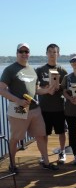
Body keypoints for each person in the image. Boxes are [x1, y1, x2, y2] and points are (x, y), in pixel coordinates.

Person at [0, 43, 59, 172]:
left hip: (34, 109)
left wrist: (47, 91)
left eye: (26, 51)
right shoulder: (10, 70)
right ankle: (12, 164)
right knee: (15, 138)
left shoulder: (31, 69)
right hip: (18, 109)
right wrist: (18, 101)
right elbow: (2, 89)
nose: (24, 54)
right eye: (21, 51)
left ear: (29, 54)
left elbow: (36, 89)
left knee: (41, 135)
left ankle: (46, 162)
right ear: (17, 53)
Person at [36, 43, 68, 164]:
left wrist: (58, 86)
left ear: (58, 54)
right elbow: (35, 88)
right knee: (44, 133)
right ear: (46, 53)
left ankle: (62, 152)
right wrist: (46, 88)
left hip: (59, 107)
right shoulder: (40, 70)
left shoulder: (62, 70)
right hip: (44, 108)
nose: (52, 54)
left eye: (54, 52)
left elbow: (66, 88)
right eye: (50, 51)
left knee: (61, 132)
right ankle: (44, 155)